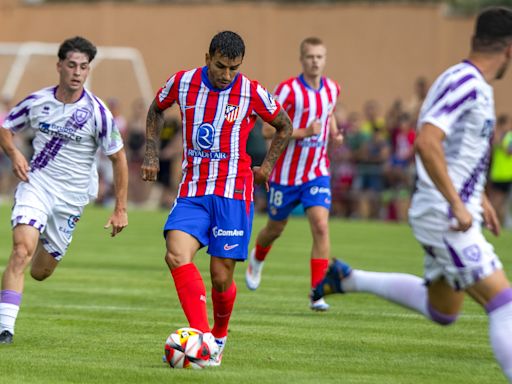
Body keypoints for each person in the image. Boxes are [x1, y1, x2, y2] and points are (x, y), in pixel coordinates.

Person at [311, 7, 512, 382]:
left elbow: (457, 153)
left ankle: (347, 279)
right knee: (504, 303)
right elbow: (427, 141)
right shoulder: (466, 82)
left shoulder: (471, 84)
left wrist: (478, 197)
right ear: (509, 50)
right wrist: (457, 203)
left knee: (444, 310)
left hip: (451, 209)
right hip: (445, 215)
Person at [141, 31, 292, 366]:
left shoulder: (251, 91)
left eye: (233, 68)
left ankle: (219, 336)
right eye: (221, 66)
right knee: (176, 254)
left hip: (234, 195)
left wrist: (267, 166)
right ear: (207, 56)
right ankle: (203, 338)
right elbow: (155, 110)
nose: (226, 75)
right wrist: (151, 155)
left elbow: (284, 125)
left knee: (221, 277)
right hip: (194, 191)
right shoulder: (182, 82)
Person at [0, 36, 129, 344]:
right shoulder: (37, 102)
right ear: (59, 66)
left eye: (83, 67)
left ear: (88, 71)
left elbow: (118, 158)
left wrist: (120, 209)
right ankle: (5, 329)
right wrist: (15, 152)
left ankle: (41, 242)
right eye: (71, 65)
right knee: (21, 251)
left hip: (71, 200)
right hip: (37, 186)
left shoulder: (98, 113)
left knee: (40, 271)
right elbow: (5, 127)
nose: (77, 72)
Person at [245, 37, 343, 311]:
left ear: (325, 59)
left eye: (320, 57)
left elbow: (329, 112)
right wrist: (305, 132)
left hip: (316, 172)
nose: (315, 61)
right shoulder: (288, 90)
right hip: (285, 175)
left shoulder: (333, 88)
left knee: (321, 226)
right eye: (310, 56)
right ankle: (258, 257)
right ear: (302, 59)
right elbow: (267, 130)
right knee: (275, 228)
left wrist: (333, 132)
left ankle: (317, 292)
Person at [487, 114, 512, 226]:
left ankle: (498, 223)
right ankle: (492, 222)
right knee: (496, 202)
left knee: (500, 203)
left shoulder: (505, 137)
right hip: (500, 174)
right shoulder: (502, 137)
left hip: (504, 175)